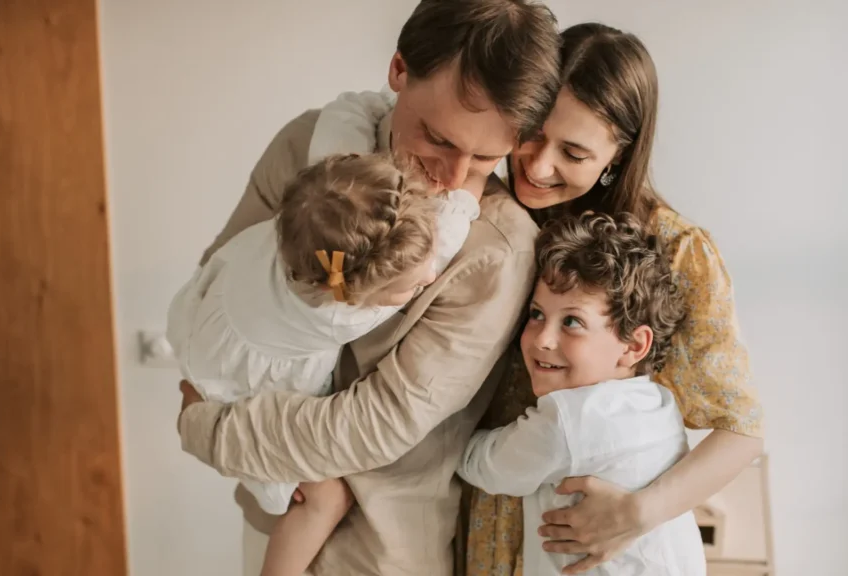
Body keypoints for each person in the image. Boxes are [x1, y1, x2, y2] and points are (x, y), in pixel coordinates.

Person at [176, 1, 562, 575]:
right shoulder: (307, 147)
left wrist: (205, 428)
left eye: (486, 157)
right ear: (399, 69)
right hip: (269, 516)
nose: (453, 178)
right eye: (438, 138)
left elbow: (379, 422)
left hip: (379, 552)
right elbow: (223, 283)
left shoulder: (497, 251)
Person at [465, 23, 764, 576]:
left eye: (573, 152)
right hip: (476, 514)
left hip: (584, 538)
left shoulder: (674, 251)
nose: (536, 164)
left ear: (616, 156)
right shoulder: (484, 209)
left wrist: (636, 513)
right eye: (532, 132)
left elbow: (740, 432)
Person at [168, 144, 484, 576]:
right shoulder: (337, 313)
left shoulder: (304, 221)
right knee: (326, 497)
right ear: (356, 294)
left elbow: (342, 123)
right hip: (236, 379)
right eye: (410, 289)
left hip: (207, 327)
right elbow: (446, 242)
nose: (430, 277)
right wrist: (471, 188)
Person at [458, 211, 706, 576]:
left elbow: (488, 466)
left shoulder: (569, 418)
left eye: (572, 322)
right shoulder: (657, 403)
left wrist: (454, 431)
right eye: (537, 314)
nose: (542, 339)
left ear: (633, 346)